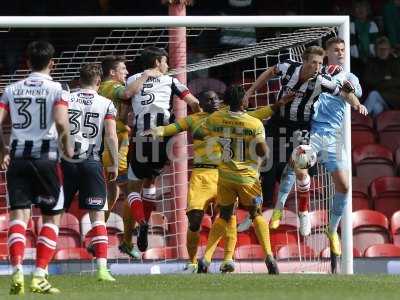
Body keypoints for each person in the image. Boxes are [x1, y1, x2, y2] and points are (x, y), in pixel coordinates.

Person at [241, 45, 357, 236]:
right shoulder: (288, 67)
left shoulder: (323, 80)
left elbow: (344, 93)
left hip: (301, 128)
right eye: (314, 62)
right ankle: (254, 214)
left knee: (301, 171)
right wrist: (249, 92)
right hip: (277, 122)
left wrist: (355, 101)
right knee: (262, 169)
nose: (318, 67)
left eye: (320, 63)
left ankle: (303, 212)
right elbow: (270, 72)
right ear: (304, 61)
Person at [270, 37, 367, 262]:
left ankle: (331, 231)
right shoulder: (312, 74)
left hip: (332, 138)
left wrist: (355, 101)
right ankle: (279, 207)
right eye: (336, 50)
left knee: (344, 185)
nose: (341, 53)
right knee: (297, 169)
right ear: (326, 53)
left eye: (343, 49)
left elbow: (355, 94)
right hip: (311, 131)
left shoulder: (350, 77)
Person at [0, 40, 72, 294]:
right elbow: (62, 124)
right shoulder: (58, 89)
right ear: (53, 63)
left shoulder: (11, 89)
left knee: (19, 217)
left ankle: (16, 269)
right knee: (52, 216)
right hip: (46, 159)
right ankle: (39, 274)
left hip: (18, 159)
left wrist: (3, 150)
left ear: (27, 62)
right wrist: (67, 146)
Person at [197, 85, 279, 274]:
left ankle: (206, 259)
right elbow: (262, 151)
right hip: (248, 178)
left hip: (225, 176)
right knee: (256, 213)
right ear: (244, 102)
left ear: (225, 102)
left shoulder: (215, 118)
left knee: (224, 215)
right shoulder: (254, 124)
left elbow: (200, 133)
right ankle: (269, 257)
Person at [126, 46, 200, 252]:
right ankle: (146, 221)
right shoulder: (171, 80)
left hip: (141, 136)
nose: (167, 65)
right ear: (158, 62)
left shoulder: (132, 79)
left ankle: (141, 222)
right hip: (163, 137)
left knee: (132, 186)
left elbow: (125, 97)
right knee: (151, 180)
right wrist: (199, 120)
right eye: (165, 61)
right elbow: (193, 103)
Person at [62, 63, 118, 281]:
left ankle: (43, 269)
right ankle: (102, 269)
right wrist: (113, 163)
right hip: (92, 162)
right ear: (98, 81)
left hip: (66, 161)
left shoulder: (66, 98)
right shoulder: (106, 103)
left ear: (79, 80)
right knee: (97, 217)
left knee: (54, 214)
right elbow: (111, 136)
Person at [98, 55, 145, 259]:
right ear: (112, 73)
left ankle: (96, 237)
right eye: (123, 69)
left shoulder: (105, 90)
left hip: (113, 145)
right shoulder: (110, 87)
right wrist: (146, 76)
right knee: (132, 192)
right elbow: (127, 92)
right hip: (115, 148)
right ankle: (126, 241)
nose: (126, 72)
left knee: (112, 195)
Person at [363, 36, 400, 117]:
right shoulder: (371, 63)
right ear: (376, 50)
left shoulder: (395, 62)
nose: (383, 51)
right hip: (380, 97)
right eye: (380, 49)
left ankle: (359, 118)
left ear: (389, 50)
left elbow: (398, 81)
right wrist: (386, 80)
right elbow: (368, 80)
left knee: (374, 94)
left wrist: (380, 81)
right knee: (377, 108)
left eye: (385, 49)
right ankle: (371, 128)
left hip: (393, 98)